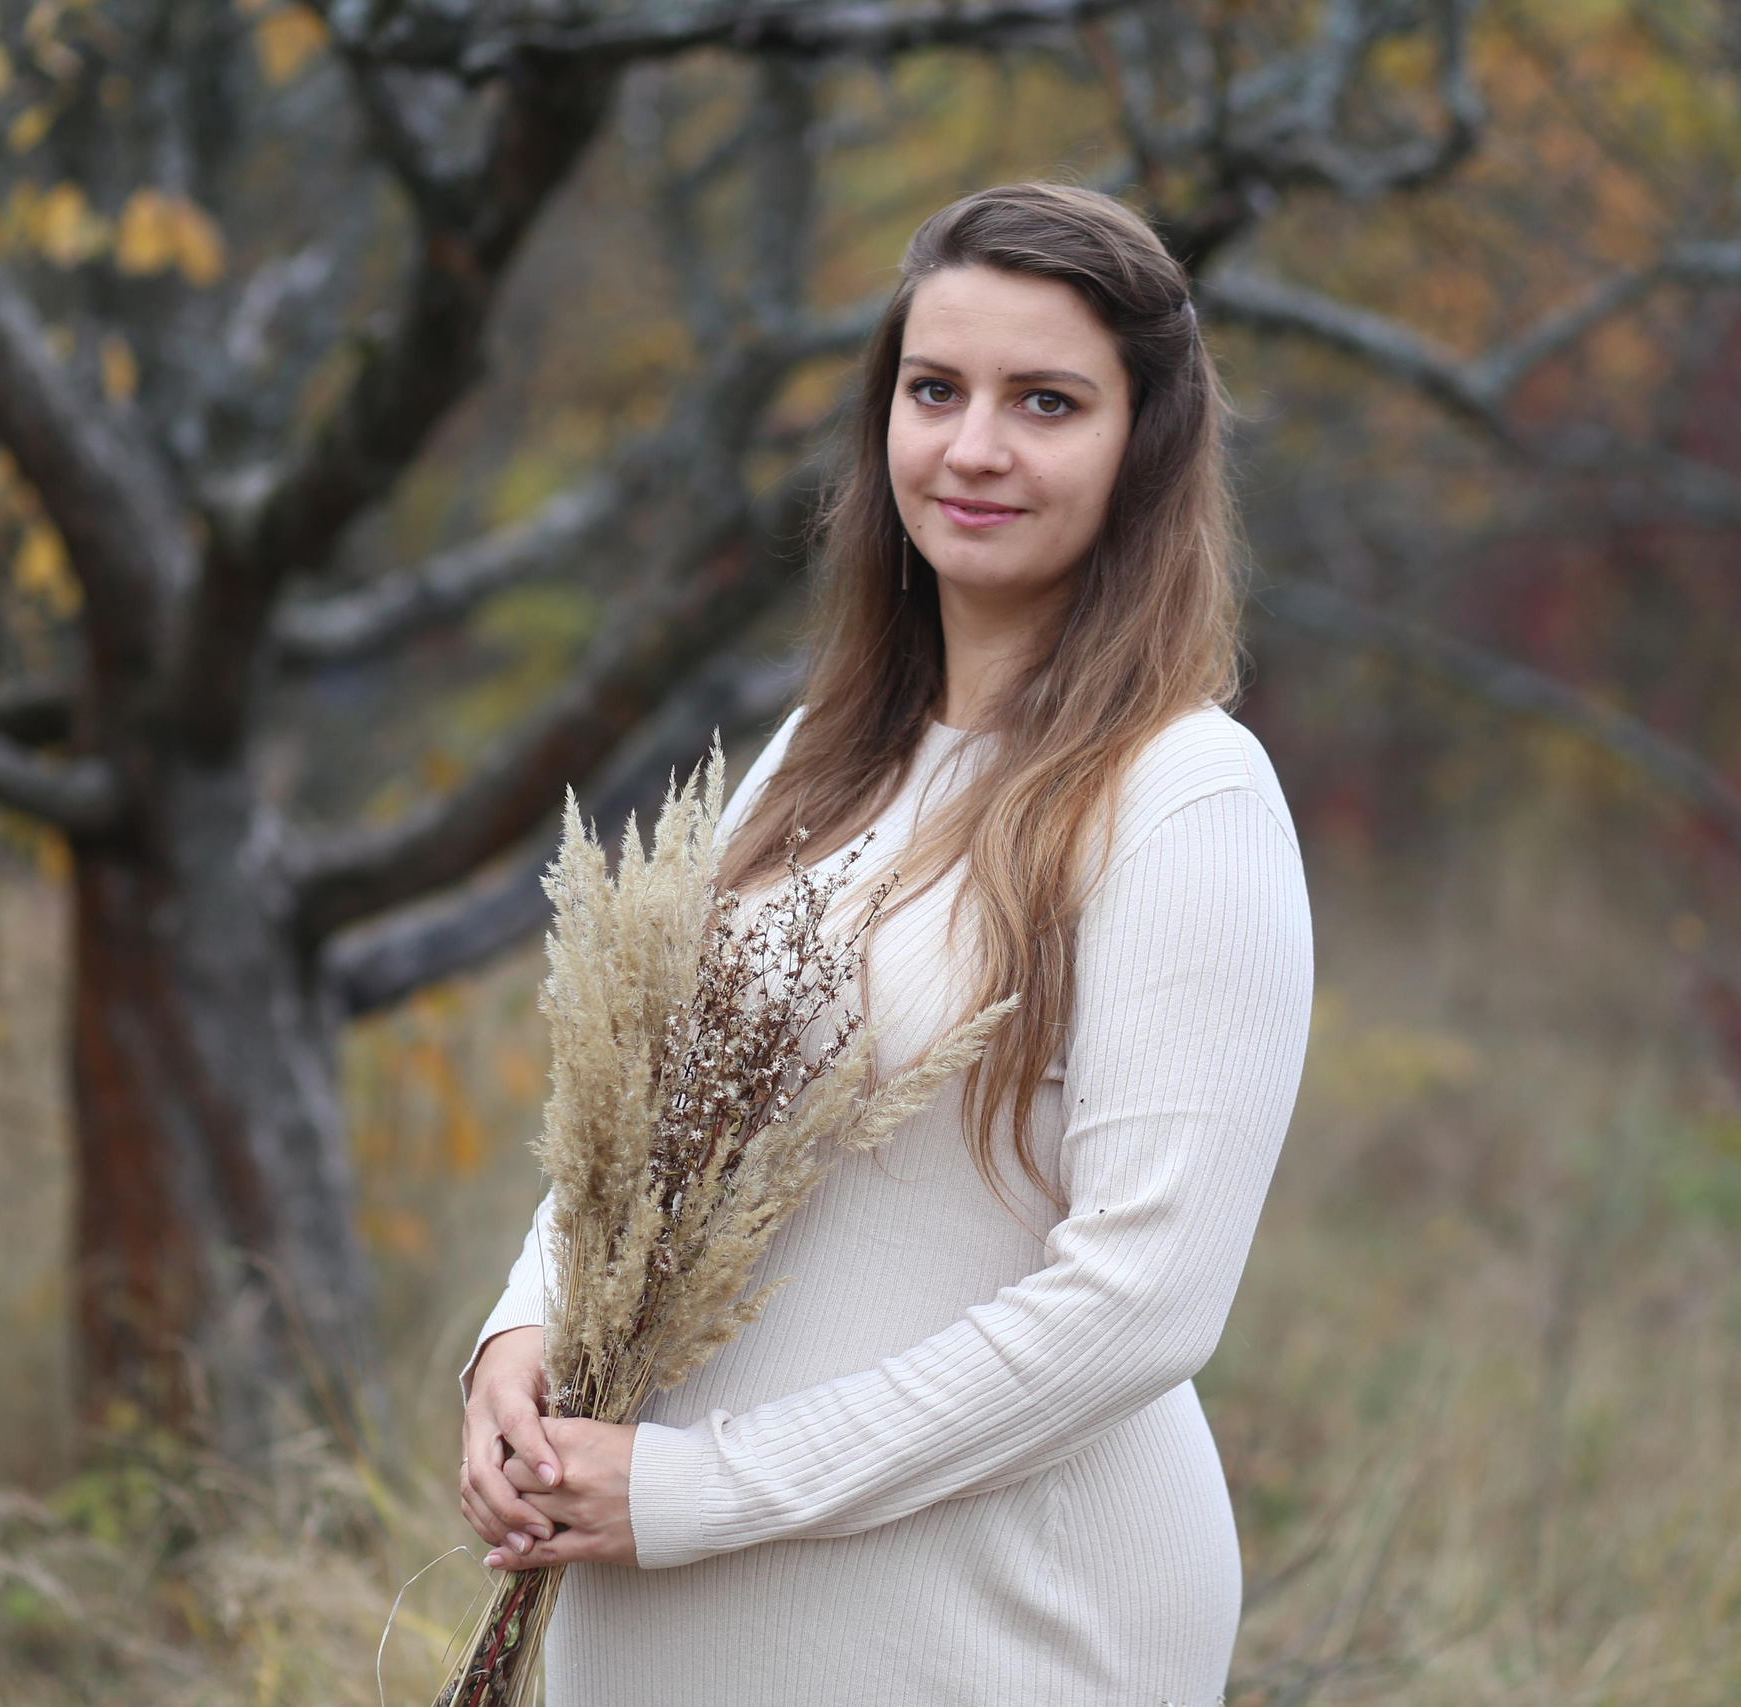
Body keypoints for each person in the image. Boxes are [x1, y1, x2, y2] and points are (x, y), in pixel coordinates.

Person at [455, 180, 1314, 1706]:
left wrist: (706, 1486)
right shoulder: (814, 760)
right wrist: (519, 1336)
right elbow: (649, 1122)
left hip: (981, 1627)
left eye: (1045, 402)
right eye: (936, 391)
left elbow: (1143, 1300)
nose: (974, 447)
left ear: (1145, 445)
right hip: (666, 1607)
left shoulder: (1183, 796)